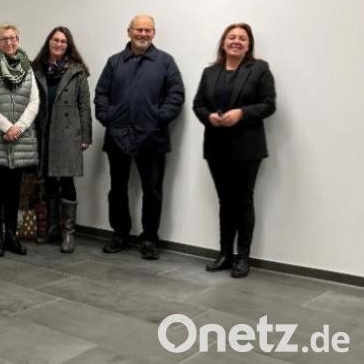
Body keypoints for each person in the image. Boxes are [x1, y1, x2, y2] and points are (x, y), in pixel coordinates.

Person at [94, 15, 184, 260]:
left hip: (152, 137)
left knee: (152, 190)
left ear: (154, 33)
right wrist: (109, 118)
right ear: (129, 32)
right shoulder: (114, 62)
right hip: (117, 136)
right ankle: (120, 234)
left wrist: (157, 119)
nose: (143, 34)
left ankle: (149, 239)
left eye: (148, 30)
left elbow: (176, 95)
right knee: (118, 188)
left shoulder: (165, 62)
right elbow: (101, 94)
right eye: (138, 30)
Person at [193, 23, 276, 278]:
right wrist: (210, 118)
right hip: (216, 146)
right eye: (232, 37)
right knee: (225, 202)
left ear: (248, 45)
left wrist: (241, 113)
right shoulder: (210, 72)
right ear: (223, 42)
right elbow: (198, 105)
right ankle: (225, 254)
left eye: (242, 38)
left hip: (247, 147)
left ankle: (243, 257)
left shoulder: (259, 69)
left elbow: (268, 104)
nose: (236, 41)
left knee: (243, 201)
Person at [0, 23, 40, 257]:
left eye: (13, 38)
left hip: (18, 139)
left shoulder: (27, 68)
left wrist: (19, 128)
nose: (9, 42)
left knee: (14, 192)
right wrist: (6, 126)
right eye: (4, 39)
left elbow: (34, 101)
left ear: (18, 40)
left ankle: (12, 236)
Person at [32, 26, 92, 253]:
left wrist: (85, 136)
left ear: (69, 46)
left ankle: (68, 233)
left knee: (66, 181)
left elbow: (84, 105)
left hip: (67, 133)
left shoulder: (77, 71)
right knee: (47, 180)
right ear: (49, 42)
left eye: (63, 41)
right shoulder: (36, 69)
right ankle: (52, 228)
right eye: (55, 40)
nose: (59, 44)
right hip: (43, 130)